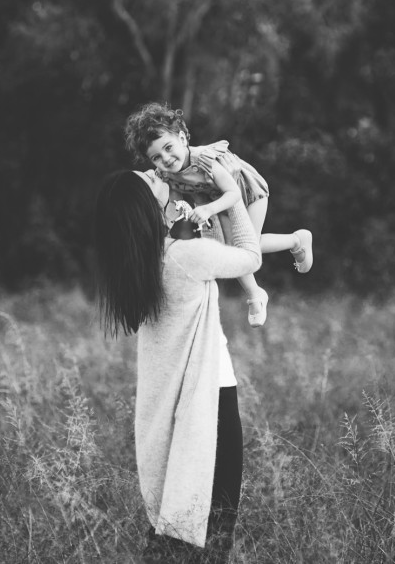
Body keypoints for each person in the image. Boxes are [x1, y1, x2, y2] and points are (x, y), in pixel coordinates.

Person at [93, 165, 260, 562]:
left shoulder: (144, 265)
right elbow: (250, 257)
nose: (158, 174)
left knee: (175, 527)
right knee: (216, 526)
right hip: (210, 396)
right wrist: (230, 193)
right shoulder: (184, 256)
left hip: (171, 405)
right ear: (145, 206)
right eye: (151, 180)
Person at [124, 102, 313, 329]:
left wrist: (208, 209)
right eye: (155, 157)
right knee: (232, 247)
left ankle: (268, 279)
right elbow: (151, 187)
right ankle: (286, 253)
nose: (165, 158)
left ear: (183, 138)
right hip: (219, 201)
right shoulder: (164, 174)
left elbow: (232, 192)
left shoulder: (204, 160)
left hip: (247, 193)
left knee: (244, 248)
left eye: (168, 147)